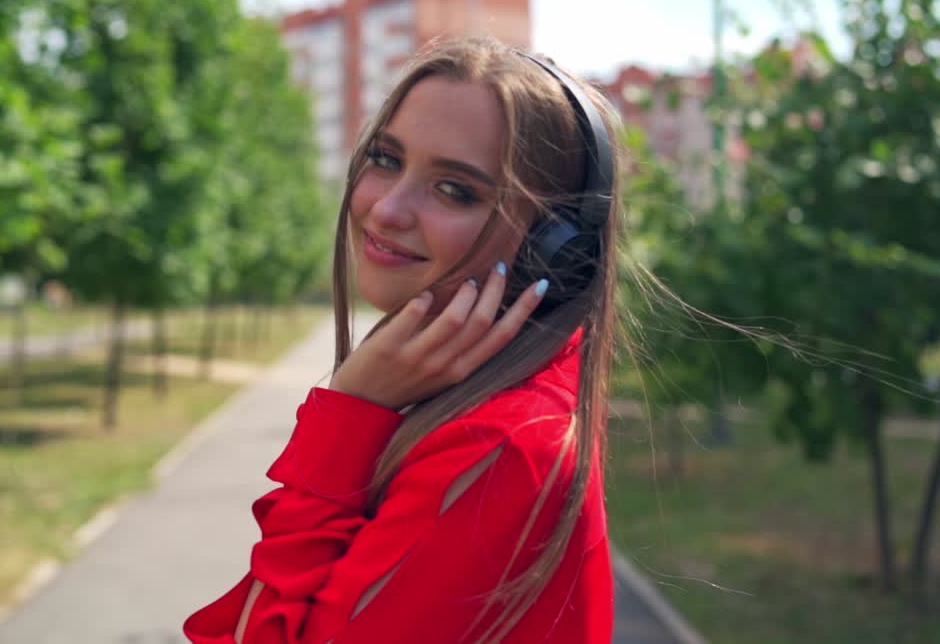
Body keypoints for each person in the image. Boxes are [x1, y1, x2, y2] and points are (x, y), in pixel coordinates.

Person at [184, 36, 623, 643]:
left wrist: (348, 416)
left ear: (553, 248)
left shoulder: (499, 448)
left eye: (455, 190)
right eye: (387, 159)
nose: (386, 209)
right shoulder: (495, 404)